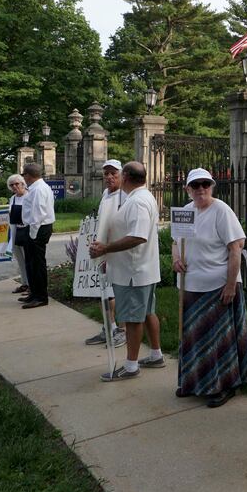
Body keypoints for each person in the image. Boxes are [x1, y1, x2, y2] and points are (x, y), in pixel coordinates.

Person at [171, 168, 247, 407]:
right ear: (187, 189)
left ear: (212, 186)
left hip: (217, 286)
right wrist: (175, 257)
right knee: (194, 338)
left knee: (219, 341)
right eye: (195, 185)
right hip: (191, 285)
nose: (200, 189)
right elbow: (175, 242)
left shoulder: (222, 211)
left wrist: (231, 285)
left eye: (205, 184)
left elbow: (235, 248)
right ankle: (193, 381)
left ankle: (224, 384)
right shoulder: (185, 212)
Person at [90, 161, 164, 381]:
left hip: (134, 271)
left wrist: (106, 248)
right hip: (141, 268)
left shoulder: (138, 202)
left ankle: (131, 366)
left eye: (120, 174)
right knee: (148, 311)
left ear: (127, 177)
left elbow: (138, 236)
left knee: (133, 319)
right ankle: (156, 354)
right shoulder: (142, 197)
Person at [85, 159, 130, 349]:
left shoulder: (125, 196)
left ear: (121, 176)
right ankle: (109, 326)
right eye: (106, 174)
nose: (109, 177)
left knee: (120, 291)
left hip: (117, 249)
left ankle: (123, 329)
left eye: (114, 173)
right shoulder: (106, 194)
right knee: (104, 290)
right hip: (103, 248)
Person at [19, 163, 55, 308]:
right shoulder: (36, 188)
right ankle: (34, 293)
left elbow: (38, 213)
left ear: (28, 175)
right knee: (31, 263)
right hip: (36, 228)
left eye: (24, 175)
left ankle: (41, 297)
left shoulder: (38, 189)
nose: (24, 178)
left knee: (37, 263)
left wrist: (32, 234)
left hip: (38, 228)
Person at [6, 175, 30, 295]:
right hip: (15, 232)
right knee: (20, 260)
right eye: (12, 185)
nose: (14, 186)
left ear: (22, 183)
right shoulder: (13, 198)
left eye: (17, 184)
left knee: (29, 260)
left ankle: (32, 285)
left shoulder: (29, 196)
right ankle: (24, 283)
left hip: (26, 232)